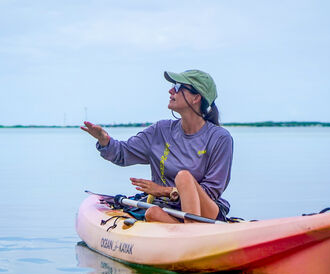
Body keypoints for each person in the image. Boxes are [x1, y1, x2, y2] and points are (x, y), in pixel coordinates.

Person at [81, 69, 233, 223]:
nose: (171, 90)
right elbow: (122, 153)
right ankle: (188, 235)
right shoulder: (160, 130)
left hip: (205, 213)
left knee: (184, 177)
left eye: (179, 87)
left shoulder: (220, 138)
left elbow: (212, 192)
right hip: (168, 209)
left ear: (196, 98)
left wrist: (164, 191)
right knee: (152, 212)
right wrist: (104, 140)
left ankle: (192, 233)